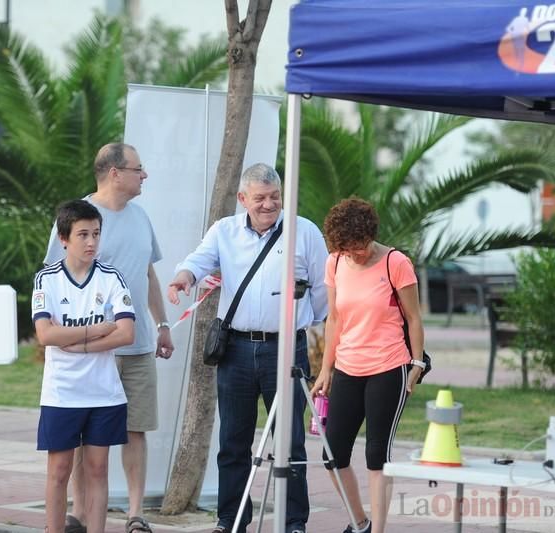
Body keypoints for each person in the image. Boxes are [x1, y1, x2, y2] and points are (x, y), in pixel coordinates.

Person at [168, 163, 328, 533]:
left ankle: (293, 522)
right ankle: (232, 519)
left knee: (290, 441)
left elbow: (322, 291)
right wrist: (182, 278)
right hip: (236, 351)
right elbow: (198, 261)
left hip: (287, 349)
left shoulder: (304, 232)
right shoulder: (224, 231)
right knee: (233, 441)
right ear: (243, 199)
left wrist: (304, 322)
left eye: (275, 197)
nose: (269, 205)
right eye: (260, 198)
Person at [43, 143, 173, 533]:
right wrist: (81, 338)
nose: (144, 175)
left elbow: (147, 274)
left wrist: (162, 324)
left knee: (136, 428)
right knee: (85, 438)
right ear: (115, 172)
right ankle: (80, 514)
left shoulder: (140, 217)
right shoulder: (79, 218)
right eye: (138, 169)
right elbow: (55, 276)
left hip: (137, 343)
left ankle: (136, 515)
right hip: (92, 356)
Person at [311, 198, 425, 533]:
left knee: (377, 454)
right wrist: (326, 369)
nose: (355, 254)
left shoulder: (395, 263)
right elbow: (334, 319)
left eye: (359, 247)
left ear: (370, 234)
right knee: (333, 453)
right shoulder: (334, 263)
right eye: (347, 249)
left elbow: (414, 318)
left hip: (389, 367)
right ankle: (359, 523)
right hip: (347, 366)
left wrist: (416, 363)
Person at [34, 199, 136, 533]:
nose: (91, 242)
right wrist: (97, 328)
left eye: (95, 234)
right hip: (62, 393)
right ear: (64, 238)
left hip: (104, 393)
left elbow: (126, 333)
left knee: (97, 470)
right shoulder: (46, 280)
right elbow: (46, 333)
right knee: (58, 471)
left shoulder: (111, 277)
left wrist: (82, 344)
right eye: (83, 235)